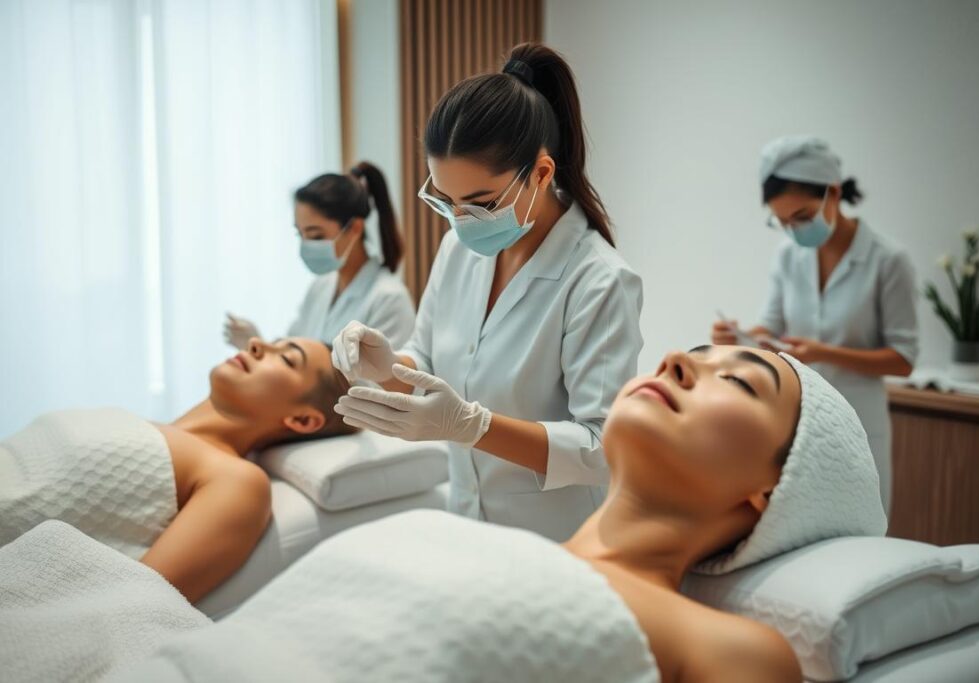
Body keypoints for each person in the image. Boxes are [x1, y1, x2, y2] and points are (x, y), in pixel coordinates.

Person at [104, 345, 885, 683]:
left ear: (770, 492)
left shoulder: (727, 645)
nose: (678, 360)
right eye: (693, 354)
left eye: (739, 384)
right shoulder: (471, 543)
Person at [331, 43, 644, 541]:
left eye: (479, 202)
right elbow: (428, 363)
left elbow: (601, 446)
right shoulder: (458, 249)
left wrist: (471, 427)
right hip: (468, 526)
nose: (459, 220)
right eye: (446, 200)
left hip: (560, 541)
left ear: (541, 174)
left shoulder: (599, 280)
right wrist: (386, 366)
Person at [0, 336, 355, 603]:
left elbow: (134, 601)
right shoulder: (139, 424)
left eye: (288, 358)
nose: (257, 343)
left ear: (304, 419)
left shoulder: (235, 479)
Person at [711, 135, 917, 511]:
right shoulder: (789, 255)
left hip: (860, 425)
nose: (794, 230)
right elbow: (770, 328)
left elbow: (903, 359)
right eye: (783, 222)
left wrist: (825, 353)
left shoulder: (889, 260)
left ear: (833, 194)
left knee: (860, 536)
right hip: (799, 422)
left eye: (802, 217)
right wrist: (738, 338)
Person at [224, 161, 415, 348]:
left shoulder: (389, 299)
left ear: (355, 228)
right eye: (301, 234)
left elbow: (383, 378)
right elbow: (292, 355)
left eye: (316, 235)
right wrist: (258, 346)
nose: (306, 245)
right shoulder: (321, 287)